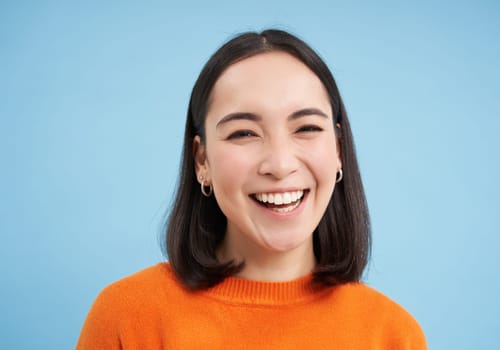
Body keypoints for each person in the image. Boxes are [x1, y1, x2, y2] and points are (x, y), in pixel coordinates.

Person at [77, 29, 427, 349]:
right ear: (202, 161)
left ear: (338, 149)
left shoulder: (392, 335)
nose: (279, 164)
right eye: (243, 133)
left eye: (306, 127)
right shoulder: (127, 318)